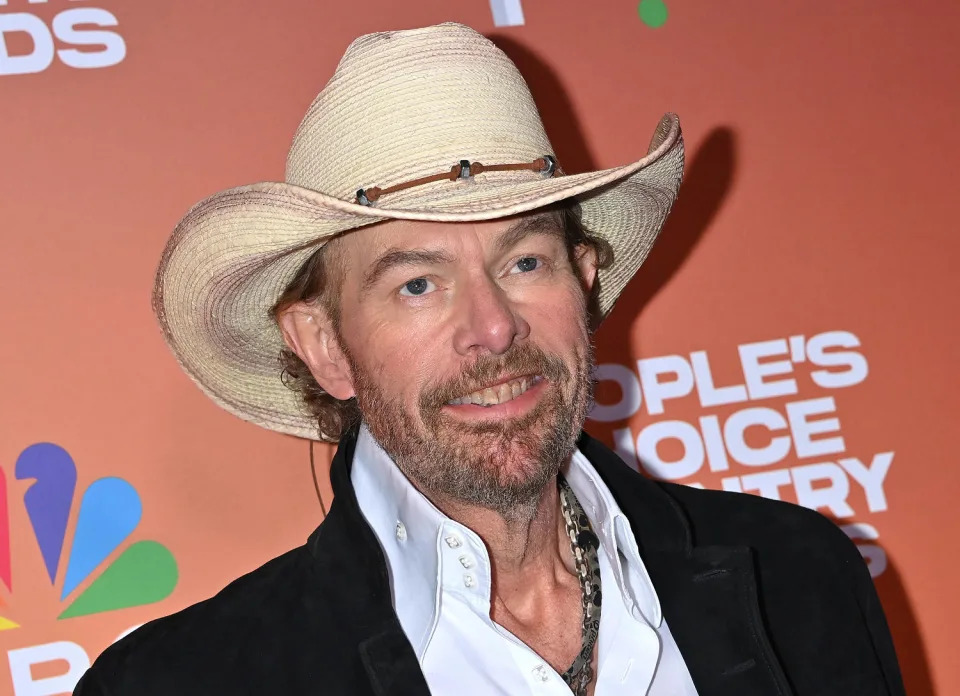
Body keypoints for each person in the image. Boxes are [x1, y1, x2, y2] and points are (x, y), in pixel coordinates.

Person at [74, 21, 904, 696]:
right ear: (326, 347)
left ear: (584, 285)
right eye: (417, 285)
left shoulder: (800, 578)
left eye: (525, 263)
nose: (494, 328)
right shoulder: (183, 683)